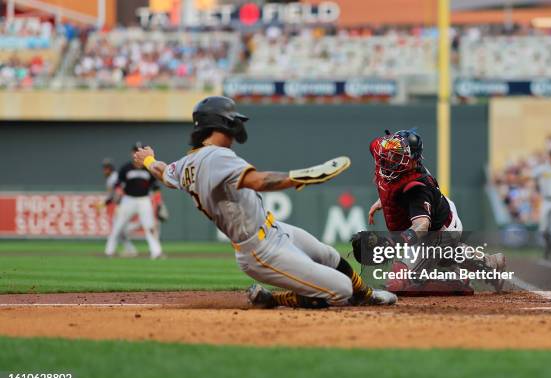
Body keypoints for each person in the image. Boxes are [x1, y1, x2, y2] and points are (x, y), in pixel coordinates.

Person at [132, 96, 397, 308]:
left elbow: (164, 173)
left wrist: (148, 161)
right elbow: (257, 181)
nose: (237, 127)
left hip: (273, 229)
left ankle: (365, 294)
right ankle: (274, 299)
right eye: (232, 121)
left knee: (326, 254)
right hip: (259, 249)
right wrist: (299, 177)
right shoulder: (215, 156)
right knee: (340, 290)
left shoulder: (188, 162)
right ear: (220, 123)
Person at [364, 128, 506, 294]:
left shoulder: (417, 187)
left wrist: (393, 242)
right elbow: (394, 185)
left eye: (396, 155)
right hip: (437, 214)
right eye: (390, 151)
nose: (387, 158)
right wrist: (383, 200)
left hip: (439, 230)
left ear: (411, 161)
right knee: (443, 255)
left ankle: (457, 280)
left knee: (398, 284)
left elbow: (422, 226)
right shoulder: (387, 158)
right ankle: (488, 262)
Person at [104, 144, 163, 259]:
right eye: (135, 151)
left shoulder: (148, 167)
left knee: (149, 227)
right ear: (132, 153)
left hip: (144, 200)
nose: (137, 153)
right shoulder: (126, 168)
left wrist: (159, 202)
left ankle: (156, 252)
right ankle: (109, 251)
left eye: (139, 150)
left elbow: (155, 187)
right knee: (118, 225)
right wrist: (117, 195)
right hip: (128, 199)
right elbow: (118, 184)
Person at [101, 158, 138, 257]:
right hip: (123, 204)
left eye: (106, 168)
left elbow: (117, 192)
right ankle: (130, 249)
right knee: (120, 230)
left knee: (117, 228)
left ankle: (110, 251)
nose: (104, 171)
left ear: (110, 169)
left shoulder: (113, 177)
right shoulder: (113, 177)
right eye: (104, 168)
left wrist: (107, 203)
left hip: (122, 204)